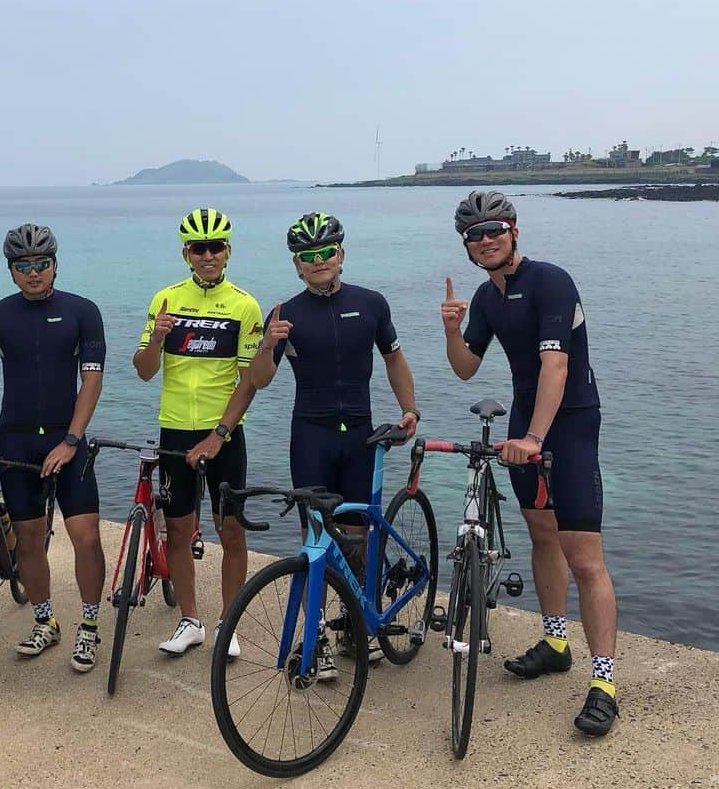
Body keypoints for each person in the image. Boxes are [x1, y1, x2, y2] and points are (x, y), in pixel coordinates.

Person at [441, 190, 618, 736]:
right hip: (527, 425)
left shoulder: (551, 282)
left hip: (569, 423)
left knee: (584, 556)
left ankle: (605, 683)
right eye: (475, 234)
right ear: (468, 247)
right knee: (541, 534)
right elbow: (467, 368)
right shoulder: (487, 296)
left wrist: (537, 436)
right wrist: (452, 329)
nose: (486, 239)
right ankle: (555, 640)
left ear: (514, 230)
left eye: (494, 229)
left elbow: (555, 368)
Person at [249, 212, 420, 678]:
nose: (319, 261)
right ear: (297, 266)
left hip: (361, 435)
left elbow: (394, 359)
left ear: (341, 256)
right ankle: (317, 633)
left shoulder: (371, 304)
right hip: (311, 435)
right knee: (317, 541)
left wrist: (410, 410)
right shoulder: (287, 314)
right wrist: (268, 344)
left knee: (359, 536)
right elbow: (260, 381)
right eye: (309, 256)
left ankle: (360, 624)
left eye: (326, 253)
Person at [0, 223, 107, 673]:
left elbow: (91, 380)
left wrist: (72, 440)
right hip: (15, 441)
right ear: (12, 271)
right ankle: (45, 621)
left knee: (86, 537)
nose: (33, 273)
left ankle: (90, 627)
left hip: (68, 439)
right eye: (23, 266)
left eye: (41, 264)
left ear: (54, 265)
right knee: (30, 541)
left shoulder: (83, 311)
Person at [133, 207, 262, 657]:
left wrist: (218, 434)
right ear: (186, 253)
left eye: (216, 247)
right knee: (178, 529)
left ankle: (229, 622)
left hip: (224, 434)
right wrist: (157, 340)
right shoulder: (165, 300)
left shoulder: (244, 305)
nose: (208, 255)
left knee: (231, 531)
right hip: (174, 430)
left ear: (228, 251)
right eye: (198, 248)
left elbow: (248, 382)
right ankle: (191, 621)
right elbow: (145, 371)